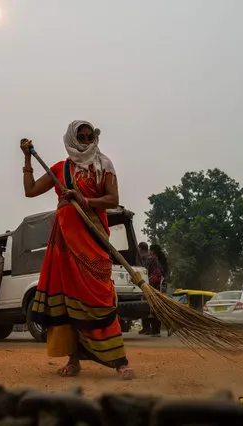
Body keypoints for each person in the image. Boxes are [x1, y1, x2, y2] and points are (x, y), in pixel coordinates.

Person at [20, 120, 134, 380]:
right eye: (80, 135)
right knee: (69, 304)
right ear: (72, 138)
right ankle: (74, 362)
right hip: (64, 246)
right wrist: (27, 158)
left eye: (88, 134)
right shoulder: (60, 169)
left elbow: (112, 200)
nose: (85, 138)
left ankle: (120, 361)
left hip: (93, 242)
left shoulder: (104, 165)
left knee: (101, 298)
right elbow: (30, 191)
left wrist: (84, 200)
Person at [137, 242, 151, 335]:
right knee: (147, 307)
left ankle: (147, 328)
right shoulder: (150, 257)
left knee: (147, 307)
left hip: (146, 284)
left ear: (141, 248)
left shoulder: (143, 258)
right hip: (147, 284)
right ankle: (146, 328)